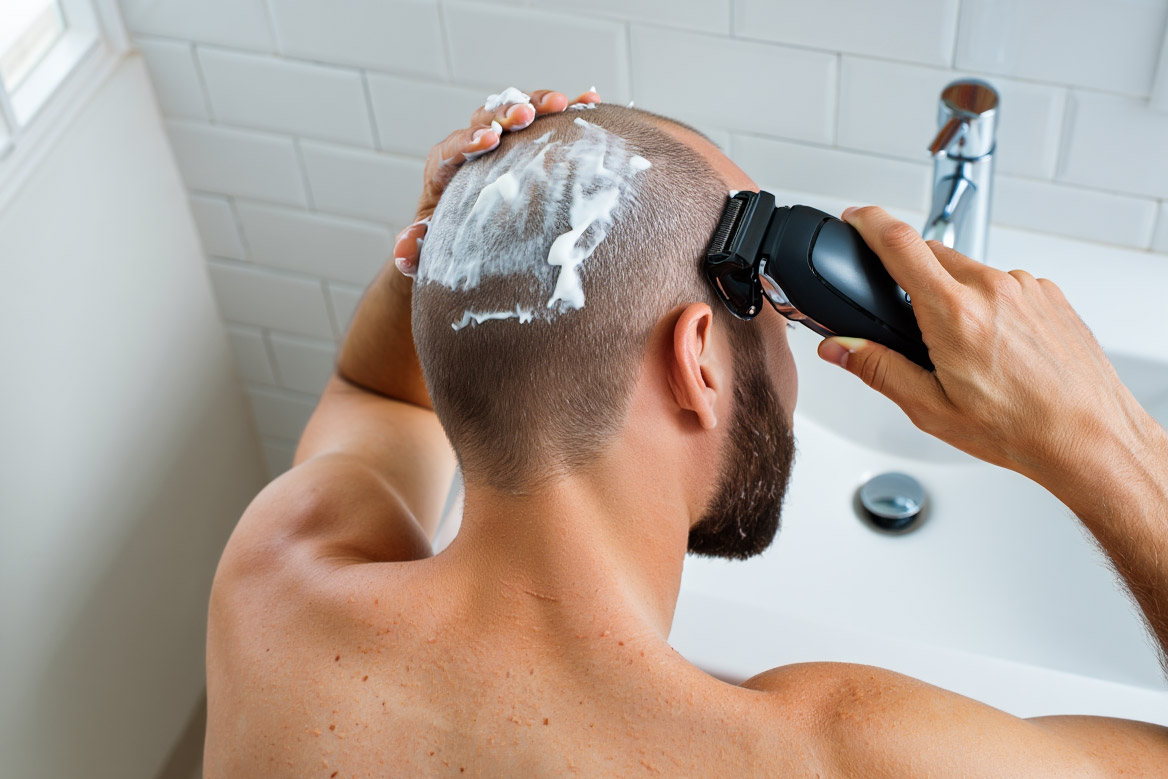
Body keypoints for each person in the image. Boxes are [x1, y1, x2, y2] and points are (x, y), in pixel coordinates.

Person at [204, 87, 1168, 777]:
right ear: (698, 359)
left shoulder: (280, 583)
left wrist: (455, 232)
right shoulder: (849, 754)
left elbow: (375, 394)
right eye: (780, 316)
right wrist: (1099, 431)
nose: (794, 366)